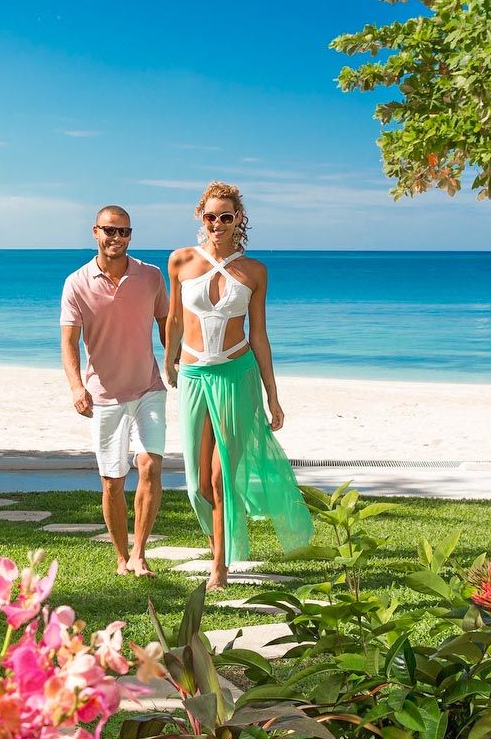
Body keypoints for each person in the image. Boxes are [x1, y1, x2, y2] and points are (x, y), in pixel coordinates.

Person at [164, 182, 312, 589]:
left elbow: (259, 335)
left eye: (226, 217)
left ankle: (219, 567)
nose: (217, 224)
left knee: (219, 476)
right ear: (201, 216)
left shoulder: (254, 271)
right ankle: (218, 543)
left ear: (238, 219)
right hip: (194, 375)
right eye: (210, 216)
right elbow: (174, 321)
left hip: (236, 374)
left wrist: (273, 395)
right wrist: (168, 361)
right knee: (195, 482)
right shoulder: (179, 261)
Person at [60, 205, 169, 577]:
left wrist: (173, 363)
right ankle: (121, 558)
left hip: (149, 388)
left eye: (123, 232)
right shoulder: (76, 282)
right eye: (110, 231)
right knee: (112, 480)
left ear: (131, 236)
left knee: (151, 465)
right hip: (104, 395)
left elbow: (164, 320)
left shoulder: (151, 276)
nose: (116, 238)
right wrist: (77, 386)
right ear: (95, 232)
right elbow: (69, 342)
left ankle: (140, 554)